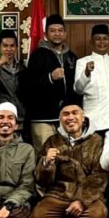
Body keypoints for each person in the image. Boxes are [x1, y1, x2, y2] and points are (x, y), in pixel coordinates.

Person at [32, 101, 108, 218]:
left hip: (89, 195)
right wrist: (47, 164)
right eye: (66, 114)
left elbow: (99, 176)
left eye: (75, 113)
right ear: (60, 120)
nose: (70, 117)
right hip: (58, 194)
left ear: (83, 117)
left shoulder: (97, 140)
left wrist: (81, 201)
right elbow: (42, 181)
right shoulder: (52, 141)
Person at [25, 14, 79, 153]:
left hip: (66, 117)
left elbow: (77, 87)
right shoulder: (37, 55)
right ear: (46, 34)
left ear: (65, 33)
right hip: (43, 118)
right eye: (53, 30)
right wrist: (50, 77)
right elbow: (29, 86)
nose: (57, 34)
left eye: (60, 30)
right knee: (45, 156)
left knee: (65, 157)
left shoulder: (72, 57)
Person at [74, 24, 109, 136]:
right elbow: (78, 89)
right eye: (98, 39)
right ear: (91, 42)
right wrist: (86, 73)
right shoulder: (82, 62)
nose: (102, 42)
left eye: (105, 38)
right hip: (93, 121)